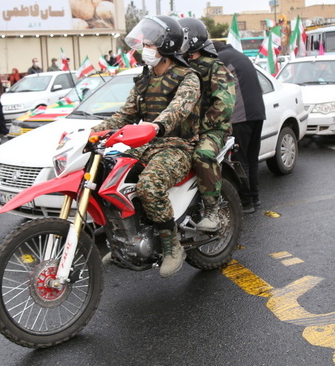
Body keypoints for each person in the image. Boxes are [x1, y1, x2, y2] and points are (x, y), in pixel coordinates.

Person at [91, 16, 200, 278]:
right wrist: (92, 133)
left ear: (166, 47)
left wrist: (155, 126)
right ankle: (123, 240)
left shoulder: (188, 78)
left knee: (149, 185)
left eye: (150, 43)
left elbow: (178, 110)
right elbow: (124, 115)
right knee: (106, 177)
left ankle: (172, 245)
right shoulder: (144, 79)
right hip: (145, 143)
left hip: (177, 145)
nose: (144, 47)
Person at [179, 17, 236, 232]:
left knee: (202, 155)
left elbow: (225, 105)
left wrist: (200, 127)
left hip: (211, 130)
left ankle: (212, 209)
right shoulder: (178, 68)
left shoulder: (215, 68)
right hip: (182, 131)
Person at [213, 40, 266, 213]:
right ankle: (255, 198)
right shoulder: (240, 56)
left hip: (240, 116)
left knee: (239, 160)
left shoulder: (220, 58)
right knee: (251, 158)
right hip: (257, 113)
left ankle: (246, 202)